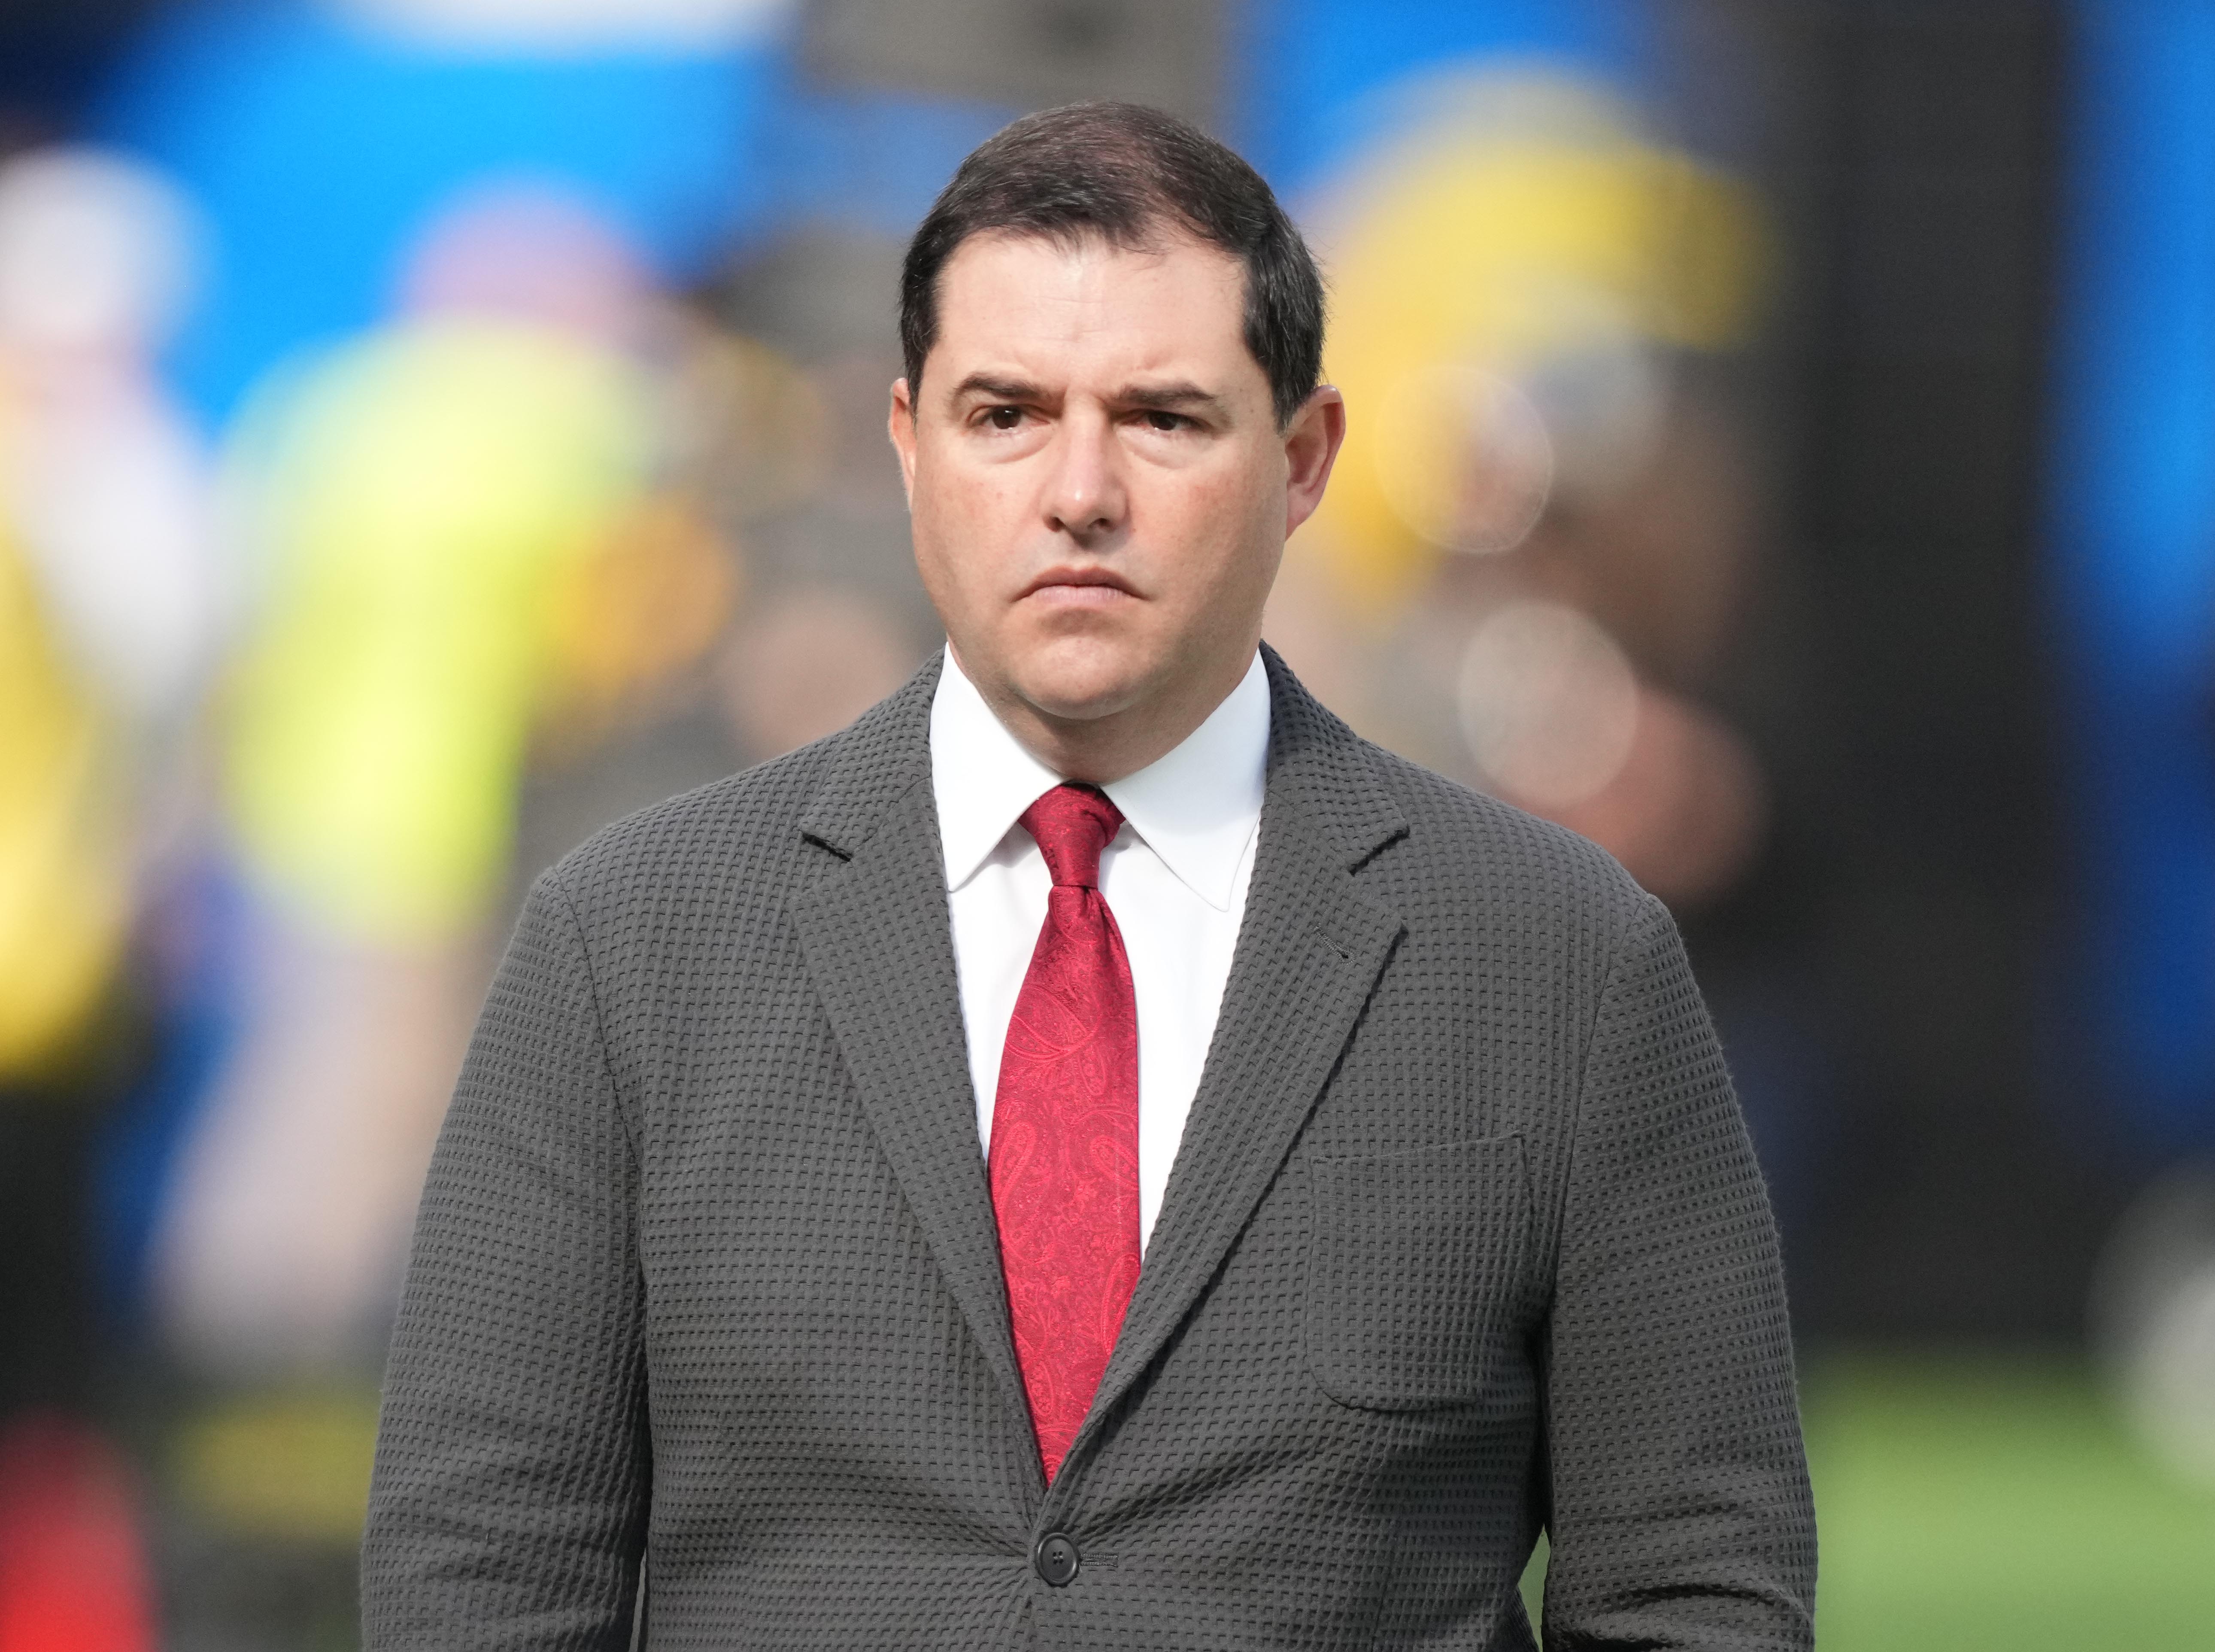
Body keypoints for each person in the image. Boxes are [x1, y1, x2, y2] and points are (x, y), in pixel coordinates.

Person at [362, 102, 1816, 1649]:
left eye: (1164, 419)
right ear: (909, 445)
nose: (1079, 491)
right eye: (1006, 415)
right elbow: (481, 1573)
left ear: (1304, 458)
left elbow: (1695, 1591)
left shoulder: (1557, 958)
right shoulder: (633, 945)